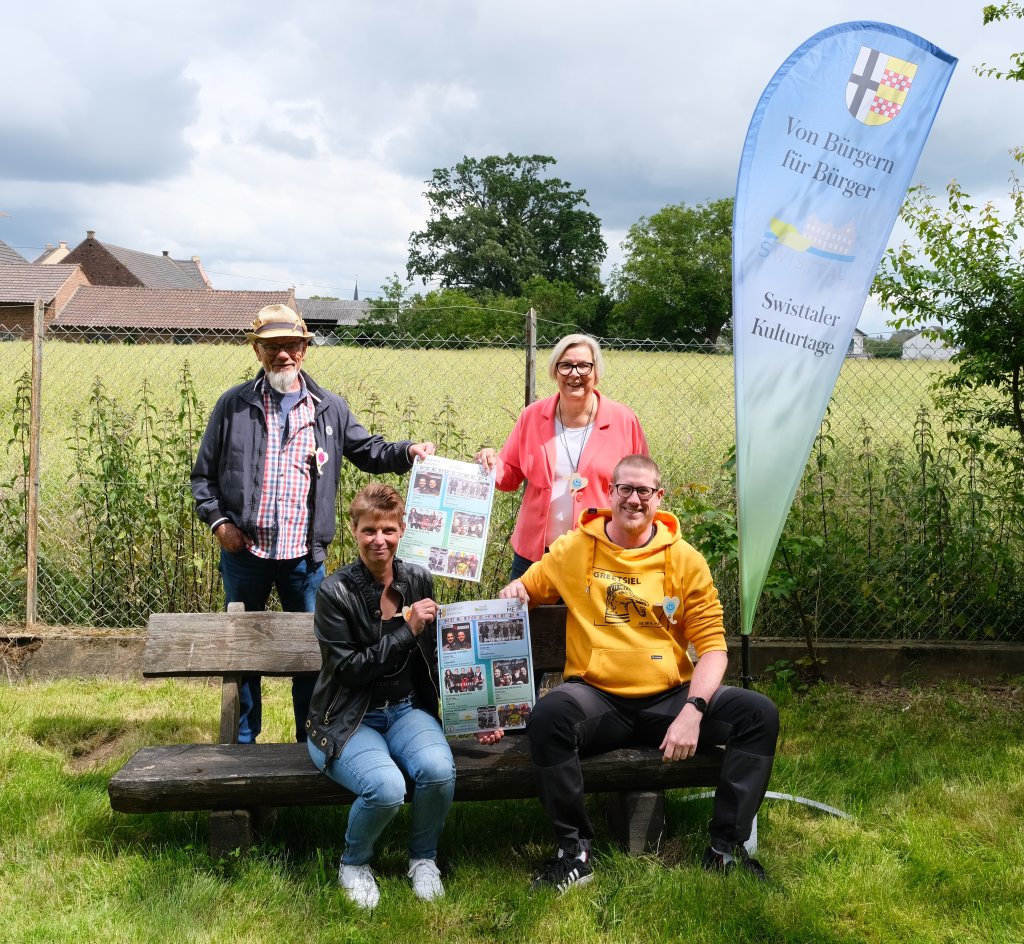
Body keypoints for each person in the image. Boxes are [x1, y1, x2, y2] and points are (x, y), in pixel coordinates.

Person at [500, 454, 779, 892]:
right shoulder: (574, 549)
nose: (633, 499)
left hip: (668, 701)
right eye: (624, 489)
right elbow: (529, 587)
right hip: (598, 700)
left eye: (643, 491)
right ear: (609, 494)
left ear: (658, 497)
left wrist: (694, 709)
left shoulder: (686, 560)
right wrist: (518, 589)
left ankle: (725, 850)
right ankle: (575, 855)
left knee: (758, 714)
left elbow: (713, 649)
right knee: (549, 715)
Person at [191, 304, 435, 744]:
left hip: (305, 560)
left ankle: (312, 738)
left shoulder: (329, 409)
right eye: (272, 346)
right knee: (244, 651)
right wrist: (220, 523)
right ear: (258, 351)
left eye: (291, 345)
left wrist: (407, 452)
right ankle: (243, 740)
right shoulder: (233, 405)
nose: (283, 355)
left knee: (312, 652)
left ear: (305, 349)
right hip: (246, 554)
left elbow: (369, 451)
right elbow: (203, 476)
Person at [305, 483, 502, 908]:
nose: (380, 540)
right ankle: (354, 862)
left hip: (406, 710)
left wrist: (477, 714)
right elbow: (349, 670)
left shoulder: (417, 579)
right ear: (353, 530)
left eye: (389, 530)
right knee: (386, 787)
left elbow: (437, 659)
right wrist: (404, 630)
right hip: (347, 718)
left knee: (437, 768)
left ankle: (423, 858)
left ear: (402, 530)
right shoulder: (333, 592)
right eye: (370, 530)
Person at [475, 334, 649, 580]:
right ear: (555, 372)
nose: (574, 374)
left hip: (601, 553)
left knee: (592, 620)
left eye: (583, 366)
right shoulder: (532, 416)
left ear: (596, 372)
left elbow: (644, 487)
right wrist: (491, 463)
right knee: (531, 620)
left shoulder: (624, 420)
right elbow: (510, 474)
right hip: (534, 557)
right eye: (565, 365)